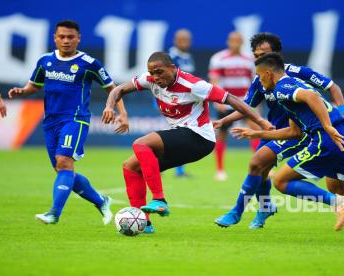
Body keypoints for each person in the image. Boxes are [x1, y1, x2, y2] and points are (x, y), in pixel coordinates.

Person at [102, 51, 272, 234]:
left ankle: (159, 199)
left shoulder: (194, 85)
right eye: (152, 73)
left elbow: (232, 100)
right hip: (181, 136)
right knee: (130, 167)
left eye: (160, 72)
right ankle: (144, 223)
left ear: (173, 68)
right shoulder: (149, 79)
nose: (155, 77)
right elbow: (118, 89)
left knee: (141, 144)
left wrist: (261, 121)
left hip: (200, 138)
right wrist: (110, 106)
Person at [232, 53, 344, 241]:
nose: (260, 83)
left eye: (260, 77)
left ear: (269, 74)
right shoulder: (291, 87)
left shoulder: (282, 87)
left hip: (327, 138)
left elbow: (311, 97)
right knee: (340, 189)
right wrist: (256, 134)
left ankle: (338, 203)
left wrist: (326, 126)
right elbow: (294, 132)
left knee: (280, 181)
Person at [214, 32, 344, 229]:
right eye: (256, 54)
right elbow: (248, 106)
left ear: (276, 54)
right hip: (273, 131)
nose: (259, 57)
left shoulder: (295, 72)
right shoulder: (260, 79)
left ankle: (237, 212)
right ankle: (265, 207)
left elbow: (332, 87)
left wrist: (343, 113)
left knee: (257, 163)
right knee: (259, 169)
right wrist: (223, 120)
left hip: (296, 133)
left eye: (264, 53)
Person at [8, 20, 129, 225]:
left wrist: (122, 114)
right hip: (50, 122)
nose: (66, 41)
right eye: (61, 37)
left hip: (75, 119)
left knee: (64, 162)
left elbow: (113, 88)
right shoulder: (45, 61)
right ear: (55, 38)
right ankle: (101, 200)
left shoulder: (89, 64)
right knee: (61, 169)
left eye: (70, 37)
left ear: (78, 39)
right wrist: (23, 91)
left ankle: (54, 213)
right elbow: (34, 85)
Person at [208, 31, 256, 181]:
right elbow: (214, 80)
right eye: (232, 40)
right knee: (222, 133)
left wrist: (256, 103)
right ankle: (220, 169)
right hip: (227, 102)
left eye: (238, 40)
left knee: (255, 130)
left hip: (245, 102)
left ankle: (260, 166)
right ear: (228, 42)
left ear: (242, 42)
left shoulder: (249, 60)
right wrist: (216, 100)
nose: (235, 43)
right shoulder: (219, 58)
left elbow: (254, 83)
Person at [168, 29, 195, 177]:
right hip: (172, 101)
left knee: (180, 136)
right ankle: (178, 170)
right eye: (182, 39)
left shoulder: (187, 57)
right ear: (175, 40)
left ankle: (175, 168)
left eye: (188, 39)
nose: (186, 42)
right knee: (180, 136)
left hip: (185, 102)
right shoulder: (170, 57)